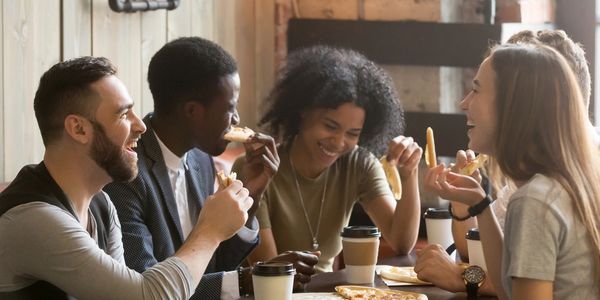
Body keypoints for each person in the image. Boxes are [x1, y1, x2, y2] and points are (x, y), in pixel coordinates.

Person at [0, 56, 252, 299]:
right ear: (79, 129)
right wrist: (209, 232)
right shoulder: (33, 218)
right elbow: (146, 296)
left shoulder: (101, 205)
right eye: (123, 114)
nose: (140, 125)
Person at [103, 37, 318, 300]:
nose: (237, 119)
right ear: (193, 111)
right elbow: (148, 289)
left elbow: (214, 266)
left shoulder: (200, 160)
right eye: (230, 108)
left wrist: (250, 196)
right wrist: (248, 280)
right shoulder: (127, 174)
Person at [415, 29, 599, 297]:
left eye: (476, 90)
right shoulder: (564, 184)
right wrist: (480, 205)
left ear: (514, 108)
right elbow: (508, 289)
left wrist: (463, 276)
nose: (464, 103)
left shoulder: (536, 201)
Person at [233, 46, 422, 272]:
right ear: (303, 111)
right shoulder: (256, 168)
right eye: (330, 126)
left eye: (352, 134)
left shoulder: (358, 164)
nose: (339, 142)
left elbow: (401, 243)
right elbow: (269, 273)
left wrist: (409, 174)